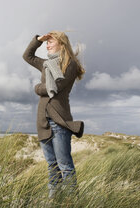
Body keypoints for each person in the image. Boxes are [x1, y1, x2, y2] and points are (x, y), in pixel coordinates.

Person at [22, 31, 85, 198]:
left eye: (51, 42)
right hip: (43, 122)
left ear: (62, 44)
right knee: (52, 166)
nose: (47, 45)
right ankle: (54, 201)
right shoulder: (46, 64)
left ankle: (71, 202)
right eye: (47, 43)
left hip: (59, 121)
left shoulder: (69, 65)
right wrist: (38, 40)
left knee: (65, 165)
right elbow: (27, 56)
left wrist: (37, 88)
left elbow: (54, 87)